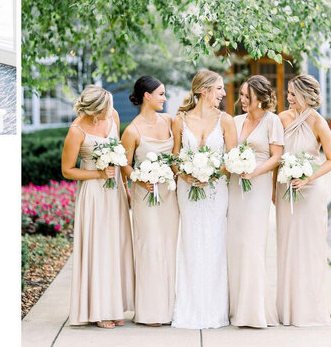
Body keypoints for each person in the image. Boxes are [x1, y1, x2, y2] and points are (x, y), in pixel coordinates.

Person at [62, 85, 134, 328]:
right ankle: (99, 310)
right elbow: (67, 170)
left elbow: (121, 156)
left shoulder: (112, 117)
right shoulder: (76, 130)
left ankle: (115, 306)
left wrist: (125, 188)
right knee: (99, 247)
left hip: (114, 191)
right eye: (105, 108)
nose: (110, 111)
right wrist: (98, 174)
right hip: (93, 193)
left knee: (116, 245)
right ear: (93, 110)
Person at [171, 70, 237, 329]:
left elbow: (232, 161)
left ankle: (214, 310)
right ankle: (188, 308)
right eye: (219, 88)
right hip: (187, 191)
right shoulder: (180, 120)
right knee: (189, 242)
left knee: (214, 242)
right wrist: (186, 175)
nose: (222, 93)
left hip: (215, 191)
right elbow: (175, 158)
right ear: (204, 90)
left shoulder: (226, 121)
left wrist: (210, 174)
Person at [275, 74, 331, 326]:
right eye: (288, 93)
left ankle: (309, 310)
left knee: (309, 249)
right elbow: (276, 157)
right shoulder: (281, 119)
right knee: (287, 248)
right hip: (284, 191)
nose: (288, 98)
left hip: (310, 193)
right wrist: (273, 191)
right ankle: (287, 309)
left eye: (292, 94)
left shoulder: (319, 123)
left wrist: (308, 178)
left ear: (304, 95)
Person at [121, 76, 179, 326]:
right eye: (161, 94)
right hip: (145, 196)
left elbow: (176, 153)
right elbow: (124, 163)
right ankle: (150, 311)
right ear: (147, 96)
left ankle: (170, 308)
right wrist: (139, 178)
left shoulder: (169, 121)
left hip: (168, 194)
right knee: (150, 247)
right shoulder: (132, 130)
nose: (165, 99)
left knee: (169, 247)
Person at [227, 75, 284, 327]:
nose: (241, 100)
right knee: (236, 244)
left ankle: (254, 310)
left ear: (259, 98)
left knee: (252, 244)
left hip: (257, 187)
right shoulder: (236, 121)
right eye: (240, 95)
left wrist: (254, 172)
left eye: (245, 96)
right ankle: (236, 307)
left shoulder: (272, 121)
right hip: (235, 187)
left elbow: (276, 157)